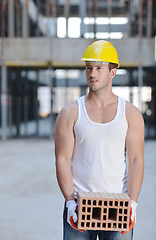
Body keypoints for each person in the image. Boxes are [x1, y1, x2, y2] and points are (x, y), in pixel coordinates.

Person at [55, 40, 144, 240]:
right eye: (88, 68)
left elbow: (136, 160)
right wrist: (70, 202)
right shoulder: (70, 112)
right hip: (79, 205)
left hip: (118, 206)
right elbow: (62, 160)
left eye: (99, 68)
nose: (92, 74)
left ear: (113, 72)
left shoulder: (130, 113)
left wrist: (133, 203)